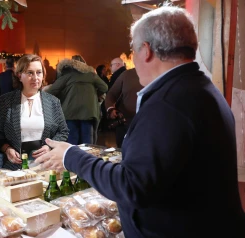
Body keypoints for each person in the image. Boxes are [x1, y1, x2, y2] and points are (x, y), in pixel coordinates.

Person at [35, 6, 245, 238]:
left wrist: (71, 156)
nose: (133, 57)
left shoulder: (168, 104)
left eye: (133, 49)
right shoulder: (200, 88)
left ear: (146, 50)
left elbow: (132, 186)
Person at [0, 54, 68, 170]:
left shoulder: (53, 102)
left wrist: (49, 147)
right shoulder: (6, 101)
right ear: (19, 75)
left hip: (45, 165)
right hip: (12, 166)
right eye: (30, 73)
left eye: (39, 72)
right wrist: (7, 149)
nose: (35, 77)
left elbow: (63, 131)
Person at [47, 55, 107, 145]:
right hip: (88, 112)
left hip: (69, 113)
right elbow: (104, 87)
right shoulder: (91, 75)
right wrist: (95, 95)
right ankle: (86, 159)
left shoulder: (66, 76)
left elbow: (51, 91)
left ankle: (73, 158)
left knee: (72, 142)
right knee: (87, 143)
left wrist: (62, 96)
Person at [105, 68, 143, 147]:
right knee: (122, 150)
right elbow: (111, 94)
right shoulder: (127, 74)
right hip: (125, 122)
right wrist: (111, 109)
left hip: (148, 122)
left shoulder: (161, 73)